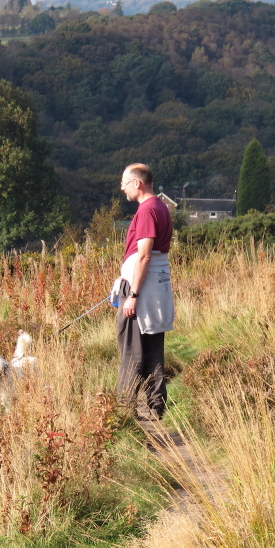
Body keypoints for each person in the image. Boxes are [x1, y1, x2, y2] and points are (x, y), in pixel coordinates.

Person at [112, 163, 175, 420]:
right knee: (152, 351)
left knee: (131, 350)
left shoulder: (148, 210)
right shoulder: (160, 207)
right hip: (155, 287)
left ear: (137, 183)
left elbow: (144, 256)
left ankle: (124, 411)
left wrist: (133, 295)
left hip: (142, 289)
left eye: (125, 183)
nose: (122, 187)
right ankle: (155, 407)